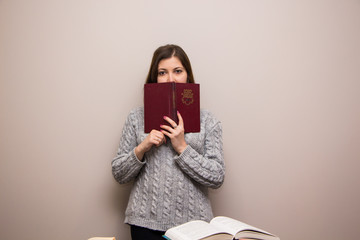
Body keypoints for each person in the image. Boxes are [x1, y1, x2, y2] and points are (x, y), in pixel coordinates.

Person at [112, 44, 225, 240]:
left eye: (178, 71)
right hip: (144, 224)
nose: (170, 78)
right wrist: (142, 148)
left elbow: (217, 177)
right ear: (154, 78)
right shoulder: (136, 118)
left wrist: (182, 147)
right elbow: (119, 174)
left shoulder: (208, 121)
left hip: (195, 226)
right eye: (162, 72)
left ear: (188, 75)